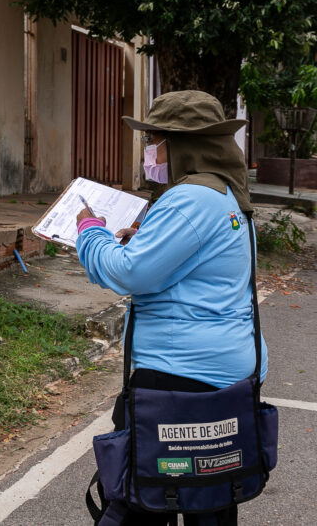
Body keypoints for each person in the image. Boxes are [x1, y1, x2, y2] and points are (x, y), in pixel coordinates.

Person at [76, 90, 267, 526]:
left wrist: (90, 231)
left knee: (144, 497)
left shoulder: (191, 199)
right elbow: (196, 266)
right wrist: (143, 242)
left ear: (181, 144)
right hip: (226, 372)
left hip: (179, 375)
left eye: (154, 139)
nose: (148, 150)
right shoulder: (226, 195)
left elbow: (129, 273)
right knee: (212, 497)